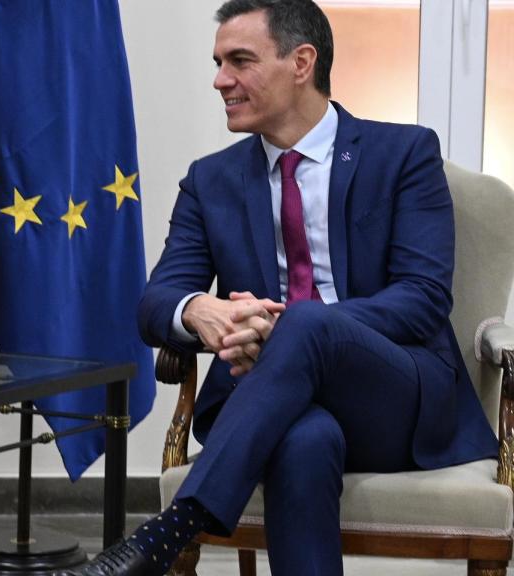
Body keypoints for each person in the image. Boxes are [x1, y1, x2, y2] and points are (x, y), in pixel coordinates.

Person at [61, 0, 497, 575]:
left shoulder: (403, 154)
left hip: (395, 399)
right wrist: (199, 312)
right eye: (218, 63)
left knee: (308, 320)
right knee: (302, 441)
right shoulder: (210, 181)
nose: (221, 80)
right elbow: (157, 302)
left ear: (302, 62)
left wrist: (285, 327)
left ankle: (169, 532)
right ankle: (165, 539)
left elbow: (420, 300)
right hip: (272, 403)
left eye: (240, 60)